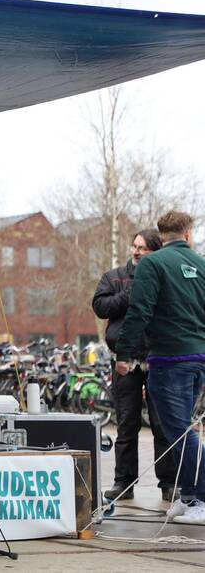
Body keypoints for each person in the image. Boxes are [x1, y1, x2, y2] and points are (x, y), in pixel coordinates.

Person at [116, 211, 205, 525]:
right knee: (177, 428)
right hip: (197, 358)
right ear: (188, 233)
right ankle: (190, 494)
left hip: (169, 359)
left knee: (179, 431)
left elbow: (139, 311)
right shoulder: (201, 264)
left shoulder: (152, 265)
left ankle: (201, 498)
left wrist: (123, 354)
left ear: (160, 234)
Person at [92, 229, 177, 501]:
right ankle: (124, 483)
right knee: (126, 425)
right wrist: (130, 293)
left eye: (143, 248)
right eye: (134, 246)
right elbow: (100, 307)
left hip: (158, 359)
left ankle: (169, 483)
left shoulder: (164, 276)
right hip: (125, 361)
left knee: (162, 425)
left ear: (156, 251)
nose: (136, 251)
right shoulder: (114, 276)